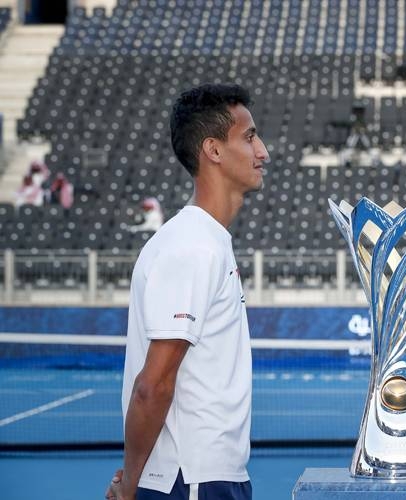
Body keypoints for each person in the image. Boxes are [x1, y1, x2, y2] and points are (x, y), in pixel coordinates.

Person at [106, 83, 269, 500]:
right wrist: (131, 484)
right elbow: (154, 384)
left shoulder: (207, 242)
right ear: (213, 150)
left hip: (206, 475)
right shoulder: (192, 246)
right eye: (249, 137)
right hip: (191, 479)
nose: (262, 152)